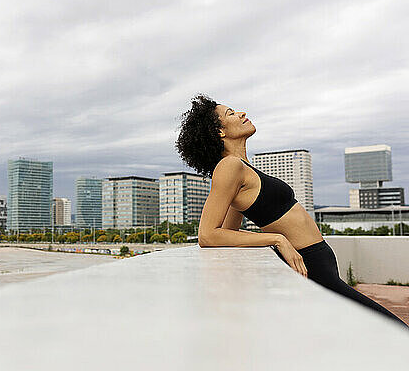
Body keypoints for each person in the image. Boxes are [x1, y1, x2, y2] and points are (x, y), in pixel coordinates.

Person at [175, 94, 408, 329]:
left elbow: (228, 231)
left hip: (318, 260)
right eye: (231, 113)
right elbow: (208, 235)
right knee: (394, 330)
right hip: (308, 265)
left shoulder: (242, 167)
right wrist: (277, 239)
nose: (242, 113)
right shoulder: (229, 167)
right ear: (219, 132)